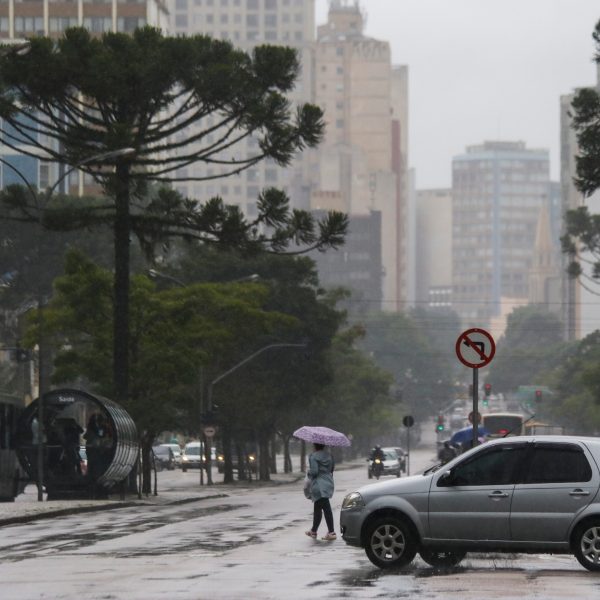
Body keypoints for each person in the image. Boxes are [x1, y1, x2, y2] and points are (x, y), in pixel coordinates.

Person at [305, 443, 337, 541]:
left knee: (326, 508)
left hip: (319, 485)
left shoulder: (313, 456)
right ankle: (313, 531)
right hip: (328, 482)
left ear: (315, 446)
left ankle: (331, 532)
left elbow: (314, 472)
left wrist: (308, 472)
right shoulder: (329, 455)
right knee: (317, 508)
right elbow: (332, 469)